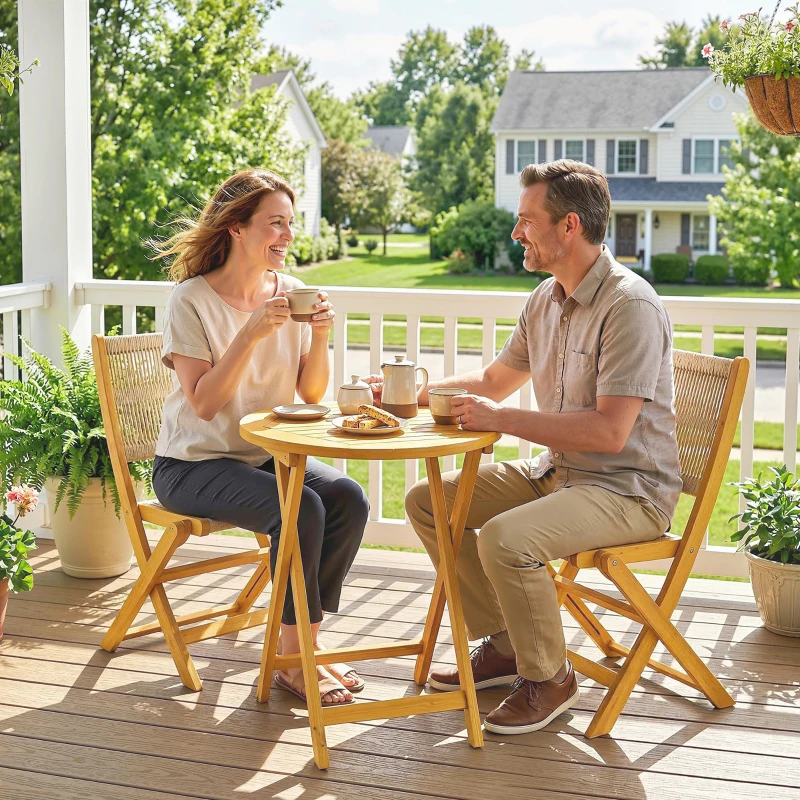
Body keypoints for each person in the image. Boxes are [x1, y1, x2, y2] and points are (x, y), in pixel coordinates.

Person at [367, 159, 681, 735]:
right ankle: (510, 643)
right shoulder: (545, 298)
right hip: (559, 472)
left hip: (627, 488)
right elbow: (490, 384)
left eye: (526, 220)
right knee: (427, 501)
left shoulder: (629, 307)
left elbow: (610, 432)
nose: (516, 233)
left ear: (568, 227)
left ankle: (551, 678)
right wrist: (407, 390)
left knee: (509, 540)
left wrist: (504, 420)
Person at [150, 169, 369, 707]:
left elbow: (311, 393)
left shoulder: (291, 293)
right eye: (275, 224)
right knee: (300, 510)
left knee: (346, 498)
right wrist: (248, 334)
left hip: (262, 457)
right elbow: (203, 403)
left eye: (290, 224)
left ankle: (303, 650)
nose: (287, 236)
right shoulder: (192, 300)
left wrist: (319, 337)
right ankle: (294, 663)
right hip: (191, 465)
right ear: (236, 228)